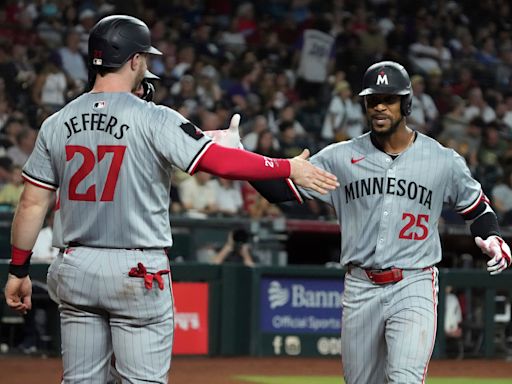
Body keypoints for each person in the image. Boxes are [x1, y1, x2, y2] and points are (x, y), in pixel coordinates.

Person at [3, 14, 338, 384]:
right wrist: (287, 167)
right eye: (145, 57)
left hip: (75, 265)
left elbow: (32, 204)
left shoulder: (56, 122)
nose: (146, 64)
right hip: (136, 267)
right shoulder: (155, 118)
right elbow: (221, 163)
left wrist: (19, 269)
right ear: (134, 60)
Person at [220, 61, 512, 383]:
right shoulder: (340, 158)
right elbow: (280, 189)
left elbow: (477, 208)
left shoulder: (443, 160)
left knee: (405, 379)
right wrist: (240, 155)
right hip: (360, 286)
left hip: (413, 282)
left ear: (407, 103)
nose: (380, 107)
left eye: (389, 99)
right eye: (373, 100)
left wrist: (492, 236)